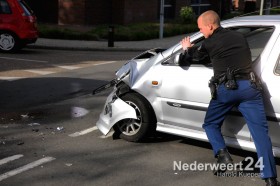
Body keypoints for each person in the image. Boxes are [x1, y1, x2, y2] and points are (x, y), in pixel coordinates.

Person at [180, 10, 279, 186]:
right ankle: (270, 178)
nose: (201, 32)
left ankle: (223, 154)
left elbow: (189, 59)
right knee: (261, 134)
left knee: (210, 124)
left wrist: (187, 49)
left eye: (201, 29)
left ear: (210, 26)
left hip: (227, 90)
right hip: (250, 88)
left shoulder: (209, 43)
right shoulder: (239, 37)